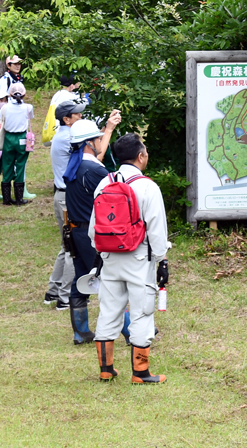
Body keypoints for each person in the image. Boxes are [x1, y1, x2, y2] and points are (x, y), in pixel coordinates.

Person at [90, 134, 170, 385]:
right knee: (142, 311)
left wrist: (101, 250)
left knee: (109, 309)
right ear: (140, 156)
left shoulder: (105, 182)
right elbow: (156, 229)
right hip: (138, 257)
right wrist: (162, 259)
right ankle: (140, 372)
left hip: (109, 257)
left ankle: (106, 369)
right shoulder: (147, 186)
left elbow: (94, 229)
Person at [63, 119, 113, 345]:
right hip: (93, 233)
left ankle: (81, 332)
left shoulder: (75, 165)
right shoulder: (93, 170)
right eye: (98, 138)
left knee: (82, 277)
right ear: (88, 143)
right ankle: (130, 329)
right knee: (111, 280)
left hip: (76, 232)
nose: (101, 141)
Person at [45, 99, 86, 309]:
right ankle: (65, 297)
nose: (80, 117)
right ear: (66, 119)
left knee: (65, 246)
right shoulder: (69, 137)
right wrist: (108, 129)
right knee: (74, 248)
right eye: (77, 115)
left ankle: (53, 290)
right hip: (68, 198)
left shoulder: (61, 136)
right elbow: (96, 154)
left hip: (61, 196)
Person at [0, 82, 35, 206]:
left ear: (10, 94)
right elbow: (30, 117)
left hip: (9, 137)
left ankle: (6, 198)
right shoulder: (28, 107)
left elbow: (1, 120)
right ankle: (19, 199)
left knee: (7, 164)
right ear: (24, 94)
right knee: (20, 166)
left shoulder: (4, 108)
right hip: (22, 138)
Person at [43, 75, 82, 144]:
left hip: (55, 128)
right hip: (62, 129)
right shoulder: (69, 96)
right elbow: (80, 104)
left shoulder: (57, 94)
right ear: (72, 85)